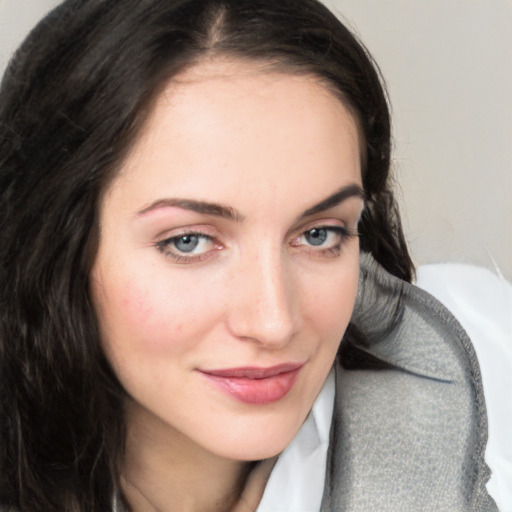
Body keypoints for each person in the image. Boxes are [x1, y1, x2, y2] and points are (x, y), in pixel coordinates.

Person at [0, 0, 498, 510]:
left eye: (320, 234)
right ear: (53, 247)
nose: (274, 322)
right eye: (188, 241)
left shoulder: (487, 369)